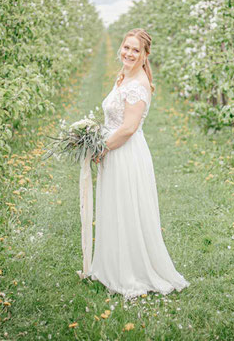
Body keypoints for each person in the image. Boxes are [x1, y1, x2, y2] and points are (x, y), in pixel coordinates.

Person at [88, 28, 189, 298]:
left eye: (136, 50)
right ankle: (113, 267)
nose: (129, 53)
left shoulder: (138, 85)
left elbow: (129, 128)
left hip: (125, 153)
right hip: (115, 150)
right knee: (115, 208)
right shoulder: (124, 76)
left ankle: (131, 273)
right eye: (126, 47)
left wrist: (101, 149)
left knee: (128, 209)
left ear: (145, 56)